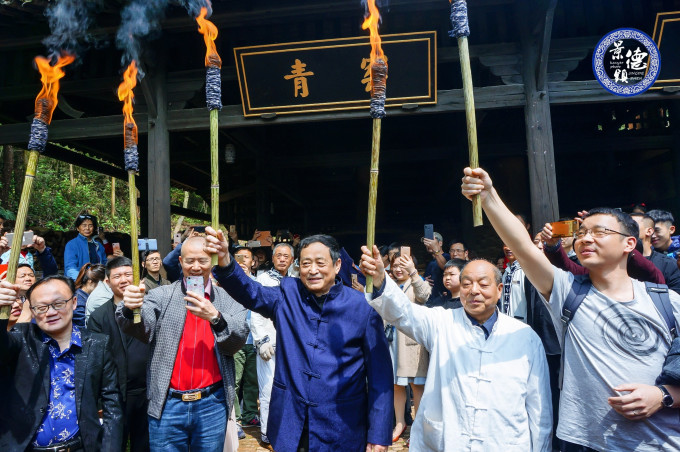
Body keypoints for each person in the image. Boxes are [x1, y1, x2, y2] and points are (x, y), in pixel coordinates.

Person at [461, 167, 680, 451]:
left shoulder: (666, 301)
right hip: (585, 442)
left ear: (629, 243)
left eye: (600, 232)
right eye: (582, 232)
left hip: (661, 442)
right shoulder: (568, 292)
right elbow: (522, 246)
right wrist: (489, 195)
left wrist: (664, 395)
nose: (586, 238)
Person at [207, 229, 393, 452]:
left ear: (337, 265)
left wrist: (379, 434)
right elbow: (250, 291)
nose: (312, 270)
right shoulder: (288, 295)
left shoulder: (363, 308)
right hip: (291, 422)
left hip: (342, 424)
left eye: (320, 263)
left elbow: (380, 377)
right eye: (306, 264)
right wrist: (225, 261)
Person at [360, 249, 552, 451]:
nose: (474, 290)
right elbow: (404, 313)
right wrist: (380, 279)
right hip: (451, 441)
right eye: (466, 284)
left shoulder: (525, 337)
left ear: (499, 289)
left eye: (483, 284)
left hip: (506, 443)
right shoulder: (442, 322)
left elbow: (539, 409)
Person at [117, 236, 249, 452]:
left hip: (212, 403)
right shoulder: (161, 295)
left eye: (202, 261)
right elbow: (141, 327)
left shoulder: (227, 299)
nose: (196, 267)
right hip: (168, 403)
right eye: (189, 261)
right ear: (180, 261)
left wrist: (216, 317)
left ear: (212, 261)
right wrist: (130, 308)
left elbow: (237, 339)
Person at [0, 276, 123, 451]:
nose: (50, 312)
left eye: (58, 304)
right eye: (41, 307)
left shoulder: (97, 344)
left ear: (74, 302)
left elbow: (112, 404)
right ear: (32, 311)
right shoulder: (21, 338)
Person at [89, 257, 150, 452]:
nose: (123, 280)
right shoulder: (99, 316)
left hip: (148, 392)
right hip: (116, 394)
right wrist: (99, 400)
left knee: (146, 445)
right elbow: (95, 360)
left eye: (128, 274)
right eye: (117, 276)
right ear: (107, 282)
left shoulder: (151, 308)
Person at [252, 242, 296, 444]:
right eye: (279, 255)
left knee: (291, 389)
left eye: (286, 256)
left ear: (292, 260)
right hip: (269, 343)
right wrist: (261, 340)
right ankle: (267, 432)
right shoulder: (263, 279)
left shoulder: (297, 280)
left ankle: (287, 429)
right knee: (268, 389)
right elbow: (255, 312)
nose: (282, 259)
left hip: (292, 345)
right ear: (273, 257)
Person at [386, 251, 430, 443]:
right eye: (395, 265)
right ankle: (400, 422)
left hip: (411, 342)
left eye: (402, 264)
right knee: (396, 384)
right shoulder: (390, 285)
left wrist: (414, 273)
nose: (398, 269)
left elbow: (425, 295)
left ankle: (418, 427)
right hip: (391, 340)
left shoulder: (416, 282)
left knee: (416, 384)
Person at [231, 246, 259, 441]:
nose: (242, 261)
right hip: (236, 339)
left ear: (253, 262)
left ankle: (250, 414)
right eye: (238, 257)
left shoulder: (259, 282)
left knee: (252, 380)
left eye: (246, 257)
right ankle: (236, 418)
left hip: (254, 338)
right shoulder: (228, 282)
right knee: (234, 380)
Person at [630, 213, 680, 294]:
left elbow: (676, 298)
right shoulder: (618, 261)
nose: (625, 229)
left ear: (649, 231)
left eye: (632, 225)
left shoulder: (669, 264)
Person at [64, 214, 107, 280]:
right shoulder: (71, 244)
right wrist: (83, 280)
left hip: (99, 280)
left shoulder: (98, 245)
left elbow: (104, 263)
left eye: (90, 225)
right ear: (78, 228)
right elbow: (70, 268)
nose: (87, 228)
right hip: (80, 280)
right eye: (84, 225)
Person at [73, 263, 106, 329]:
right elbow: (81, 328)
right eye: (102, 285)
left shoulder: (83, 295)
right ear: (90, 282)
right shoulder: (79, 302)